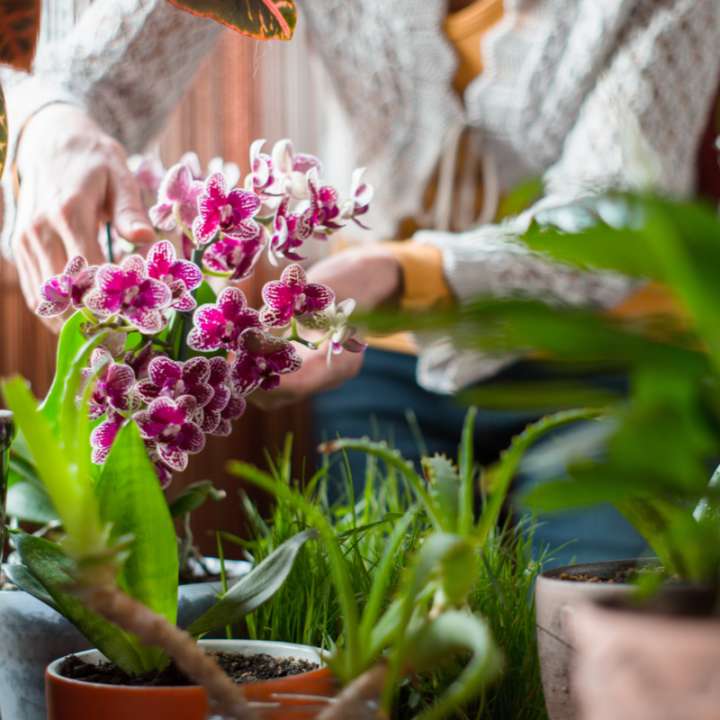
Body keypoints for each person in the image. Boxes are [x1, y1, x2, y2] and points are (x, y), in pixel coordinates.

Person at [2, 0, 719, 563]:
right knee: (373, 620)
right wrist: (50, 122)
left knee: (593, 634)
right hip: (377, 359)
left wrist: (389, 271)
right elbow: (94, 76)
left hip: (611, 356)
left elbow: (612, 220)